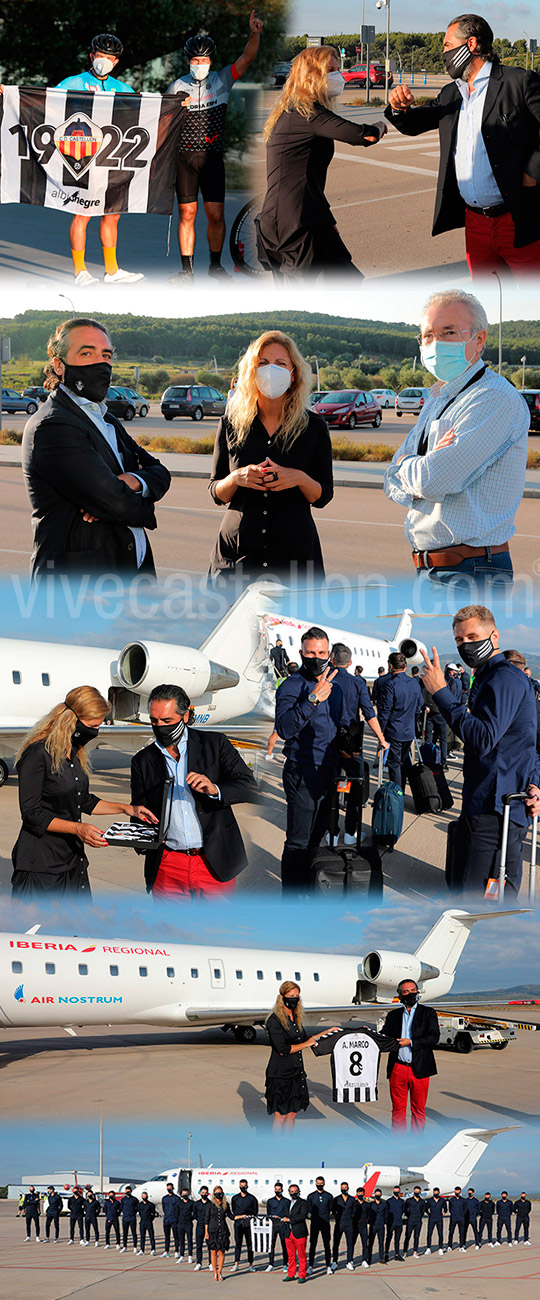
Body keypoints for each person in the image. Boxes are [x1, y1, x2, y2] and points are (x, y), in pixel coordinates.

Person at [384, 290, 529, 585]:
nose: (435, 343)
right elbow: (390, 481)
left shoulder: (492, 398)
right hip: (434, 570)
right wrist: (418, 466)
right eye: (427, 335)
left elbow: (434, 479)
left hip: (471, 570)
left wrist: (410, 466)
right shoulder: (439, 397)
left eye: (449, 332)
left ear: (479, 340)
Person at [385, 14, 540, 277]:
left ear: (470, 43)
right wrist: (399, 109)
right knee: (488, 303)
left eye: (446, 45)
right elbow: (414, 124)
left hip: (519, 218)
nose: (442, 52)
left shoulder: (519, 82)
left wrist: (533, 173)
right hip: (475, 224)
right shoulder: (451, 93)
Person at [22, 318, 171, 578]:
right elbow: (118, 504)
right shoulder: (53, 425)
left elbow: (160, 471)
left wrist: (133, 481)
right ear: (59, 365)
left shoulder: (106, 419)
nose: (100, 363)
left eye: (106, 355)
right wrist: (142, 504)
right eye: (86, 353)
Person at [421, 604, 540, 894]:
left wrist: (441, 693)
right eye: (459, 640)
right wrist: (535, 780)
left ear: (494, 636)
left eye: (472, 636)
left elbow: (484, 738)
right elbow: (525, 739)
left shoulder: (503, 679)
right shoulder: (489, 676)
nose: (466, 645)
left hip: (494, 809)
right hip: (494, 799)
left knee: (478, 896)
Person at [208, 330, 333, 583]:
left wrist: (297, 478)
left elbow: (323, 496)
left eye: (280, 363)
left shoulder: (314, 427)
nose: (270, 370)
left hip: (294, 560)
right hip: (236, 558)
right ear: (251, 373)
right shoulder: (230, 424)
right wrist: (235, 479)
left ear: (293, 373)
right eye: (262, 363)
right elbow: (215, 491)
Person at [11, 685, 157, 900]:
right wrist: (78, 828)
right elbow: (31, 813)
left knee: (78, 928)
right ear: (72, 720)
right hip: (41, 864)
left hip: (72, 858)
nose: (95, 732)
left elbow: (84, 801)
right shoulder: (38, 753)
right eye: (92, 726)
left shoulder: (74, 752)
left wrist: (127, 809)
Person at [257, 44, 386, 278]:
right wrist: (380, 126)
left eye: (338, 69)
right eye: (331, 70)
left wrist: (327, 220)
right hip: (294, 223)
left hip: (307, 217)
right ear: (312, 76)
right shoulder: (307, 114)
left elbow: (306, 177)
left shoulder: (296, 110)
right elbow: (363, 135)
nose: (338, 76)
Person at [131, 683, 257, 898]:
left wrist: (215, 789)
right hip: (167, 864)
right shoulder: (142, 761)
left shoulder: (215, 744)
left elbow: (248, 786)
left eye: (167, 721)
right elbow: (139, 811)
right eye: (154, 721)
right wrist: (140, 841)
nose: (160, 726)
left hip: (213, 861)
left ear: (186, 716)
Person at [166, 13, 263, 282]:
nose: (200, 64)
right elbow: (162, 121)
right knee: (187, 213)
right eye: (196, 61)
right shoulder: (177, 86)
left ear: (211, 61)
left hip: (212, 158)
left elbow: (247, 59)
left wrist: (254, 35)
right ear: (188, 62)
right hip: (184, 158)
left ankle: (215, 265)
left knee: (215, 214)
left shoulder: (221, 80)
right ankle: (187, 271)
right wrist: (175, 110)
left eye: (205, 60)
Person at [56, 34, 144, 285]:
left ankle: (112, 270)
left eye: (109, 58)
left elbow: (147, 109)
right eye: (99, 56)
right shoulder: (72, 82)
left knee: (112, 214)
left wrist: (178, 104)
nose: (103, 61)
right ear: (91, 56)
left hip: (111, 159)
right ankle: (80, 272)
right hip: (81, 156)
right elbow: (43, 101)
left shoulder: (122, 87)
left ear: (115, 62)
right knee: (82, 212)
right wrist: (9, 92)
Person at [275, 627, 344, 890]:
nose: (317, 657)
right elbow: (284, 728)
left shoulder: (337, 684)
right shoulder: (292, 685)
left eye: (322, 653)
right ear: (302, 654)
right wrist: (312, 699)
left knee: (318, 837)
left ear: (330, 653)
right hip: (302, 770)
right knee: (298, 840)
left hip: (329, 771)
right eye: (311, 653)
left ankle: (309, 887)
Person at [330, 642, 388, 843]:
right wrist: (381, 739)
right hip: (351, 740)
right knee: (355, 786)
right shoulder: (358, 683)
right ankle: (350, 833)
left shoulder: (324, 680)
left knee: (330, 785)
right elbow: (369, 714)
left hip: (328, 739)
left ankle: (331, 833)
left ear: (332, 659)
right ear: (350, 662)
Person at [265, 981, 337, 1129]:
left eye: (297, 996)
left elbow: (304, 1039)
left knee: (292, 1113)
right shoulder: (274, 1020)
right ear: (282, 997)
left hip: (296, 1072)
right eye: (291, 996)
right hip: (280, 1074)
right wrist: (308, 1043)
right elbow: (283, 1049)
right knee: (281, 1114)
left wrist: (327, 1032)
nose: (294, 999)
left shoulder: (295, 1017)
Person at [381, 979, 440, 1130]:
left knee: (418, 1110)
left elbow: (434, 1037)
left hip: (419, 1068)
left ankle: (417, 1142)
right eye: (405, 991)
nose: (410, 993)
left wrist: (411, 1042)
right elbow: (384, 1037)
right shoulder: (393, 1015)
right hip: (398, 1068)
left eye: (412, 990)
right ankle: (399, 1142)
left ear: (417, 991)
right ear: (400, 995)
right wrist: (367, 1033)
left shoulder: (428, 1013)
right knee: (398, 1110)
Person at [376, 653, 423, 791]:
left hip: (394, 730)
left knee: (394, 765)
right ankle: (404, 789)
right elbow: (419, 705)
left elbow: (385, 711)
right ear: (405, 666)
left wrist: (381, 732)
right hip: (408, 730)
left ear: (390, 666)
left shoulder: (391, 685)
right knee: (405, 762)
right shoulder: (414, 683)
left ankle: (397, 793)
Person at [204, 1186, 233, 1282]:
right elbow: (206, 1220)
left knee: (221, 1252)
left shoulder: (226, 1205)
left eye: (220, 1192)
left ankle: (220, 1272)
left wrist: (240, 1216)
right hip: (212, 1230)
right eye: (216, 1192)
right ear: (213, 1194)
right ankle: (215, 1272)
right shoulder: (210, 1205)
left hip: (223, 1230)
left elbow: (231, 1216)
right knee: (213, 1251)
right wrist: (206, 1232)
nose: (218, 1194)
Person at [307, 1177, 333, 1275]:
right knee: (313, 1245)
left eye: (321, 1183)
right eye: (318, 1183)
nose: (320, 1185)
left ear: (324, 1184)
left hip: (325, 1223)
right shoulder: (311, 1196)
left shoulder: (329, 1196)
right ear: (315, 1183)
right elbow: (309, 1209)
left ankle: (328, 1266)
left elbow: (330, 1208)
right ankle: (311, 1266)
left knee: (327, 1245)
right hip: (314, 1223)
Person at [230, 1180, 258, 1272]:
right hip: (238, 1224)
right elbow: (234, 1210)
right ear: (239, 1186)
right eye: (241, 1186)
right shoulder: (235, 1198)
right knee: (238, 1244)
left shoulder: (252, 1198)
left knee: (250, 1244)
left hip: (249, 1224)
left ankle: (251, 1264)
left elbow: (255, 1211)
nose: (243, 1187)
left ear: (247, 1186)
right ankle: (236, 1264)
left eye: (245, 1186)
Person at [285, 1185, 310, 1283]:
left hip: (299, 1232)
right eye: (291, 1191)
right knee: (290, 1256)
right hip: (289, 1232)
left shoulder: (303, 1203)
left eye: (295, 1191)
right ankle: (291, 1274)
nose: (293, 1193)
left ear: (299, 1191)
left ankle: (302, 1275)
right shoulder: (287, 1203)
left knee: (301, 1255)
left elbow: (302, 1215)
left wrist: (290, 1220)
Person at [331, 1182, 356, 1271]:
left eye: (345, 1188)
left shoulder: (352, 1200)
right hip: (339, 1224)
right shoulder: (336, 1199)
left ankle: (349, 1261)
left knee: (350, 1243)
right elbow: (333, 1212)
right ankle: (335, 1261)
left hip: (349, 1224)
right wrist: (338, 1218)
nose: (344, 1190)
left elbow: (354, 1212)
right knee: (336, 1244)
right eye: (343, 1188)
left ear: (348, 1188)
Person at [266, 1182, 290, 1273]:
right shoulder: (270, 1201)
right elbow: (268, 1214)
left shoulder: (287, 1201)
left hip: (283, 1226)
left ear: (282, 1190)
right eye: (276, 1189)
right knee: (271, 1245)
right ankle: (271, 1264)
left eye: (279, 1189)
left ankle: (285, 1264)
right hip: (273, 1226)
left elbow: (288, 1213)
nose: (277, 1191)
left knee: (284, 1246)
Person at [367, 1189, 388, 1266]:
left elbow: (386, 1215)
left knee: (381, 1243)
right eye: (376, 1194)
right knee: (370, 1243)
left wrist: (384, 1221)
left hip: (381, 1226)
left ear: (381, 1195)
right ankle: (368, 1259)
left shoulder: (384, 1204)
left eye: (379, 1194)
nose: (377, 1196)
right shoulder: (371, 1204)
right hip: (373, 1226)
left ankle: (381, 1258)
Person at [193, 1187, 212, 1271]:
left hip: (209, 1226)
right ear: (200, 1193)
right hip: (200, 1226)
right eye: (202, 1192)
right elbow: (195, 1215)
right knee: (199, 1246)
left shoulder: (211, 1204)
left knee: (210, 1246)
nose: (204, 1194)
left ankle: (211, 1263)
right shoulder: (196, 1204)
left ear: (208, 1193)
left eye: (205, 1193)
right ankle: (199, 1263)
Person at [385, 1187, 405, 1262]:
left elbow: (403, 1210)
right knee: (388, 1238)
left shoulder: (402, 1201)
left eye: (398, 1191)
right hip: (391, 1223)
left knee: (397, 1239)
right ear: (393, 1191)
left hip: (399, 1222)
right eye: (395, 1191)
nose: (396, 1192)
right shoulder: (389, 1201)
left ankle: (397, 1254)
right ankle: (386, 1254)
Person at [403, 1187, 425, 1257]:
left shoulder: (422, 1202)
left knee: (416, 1236)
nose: (417, 1193)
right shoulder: (409, 1200)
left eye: (418, 1192)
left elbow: (423, 1211)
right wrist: (408, 1215)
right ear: (413, 1192)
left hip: (418, 1221)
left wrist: (419, 1216)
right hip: (410, 1220)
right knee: (407, 1236)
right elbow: (405, 1209)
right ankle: (405, 1252)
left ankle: (415, 1252)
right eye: (416, 1191)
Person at [161, 1182, 181, 1257]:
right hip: (166, 1219)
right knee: (167, 1236)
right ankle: (166, 1251)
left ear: (173, 1188)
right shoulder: (164, 1198)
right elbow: (164, 1208)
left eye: (170, 1188)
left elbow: (178, 1209)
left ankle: (176, 1251)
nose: (169, 1189)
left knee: (176, 1236)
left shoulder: (176, 1198)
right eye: (168, 1188)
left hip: (174, 1219)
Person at [424, 1188, 447, 1255]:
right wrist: (429, 1214)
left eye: (437, 1192)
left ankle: (440, 1248)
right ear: (433, 1192)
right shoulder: (429, 1200)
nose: (436, 1193)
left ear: (439, 1192)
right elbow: (426, 1209)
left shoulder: (442, 1200)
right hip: (431, 1219)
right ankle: (428, 1248)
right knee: (429, 1234)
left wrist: (441, 1215)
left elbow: (445, 1210)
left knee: (440, 1234)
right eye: (435, 1192)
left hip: (439, 1219)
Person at [177, 1188, 195, 1263]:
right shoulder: (178, 1203)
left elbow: (194, 1213)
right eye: (184, 1194)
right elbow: (176, 1212)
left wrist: (190, 1219)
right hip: (181, 1224)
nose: (185, 1195)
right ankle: (182, 1256)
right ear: (181, 1194)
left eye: (186, 1194)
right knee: (181, 1241)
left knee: (189, 1240)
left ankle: (190, 1256)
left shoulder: (192, 1203)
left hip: (188, 1224)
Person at [446, 1187, 467, 1251]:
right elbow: (450, 1208)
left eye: (458, 1191)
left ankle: (461, 1246)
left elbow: (465, 1209)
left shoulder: (463, 1200)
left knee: (461, 1232)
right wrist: (453, 1214)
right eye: (456, 1191)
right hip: (453, 1218)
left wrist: (462, 1214)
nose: (457, 1192)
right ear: (454, 1191)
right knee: (451, 1232)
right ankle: (449, 1246)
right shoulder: (451, 1200)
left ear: (460, 1192)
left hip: (461, 1218)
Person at [353, 1189, 370, 1268]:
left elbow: (368, 1216)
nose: (360, 1194)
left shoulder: (367, 1205)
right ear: (357, 1193)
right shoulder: (354, 1204)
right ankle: (350, 1260)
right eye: (359, 1193)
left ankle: (364, 1260)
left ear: (364, 1194)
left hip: (363, 1226)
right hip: (354, 1226)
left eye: (362, 1193)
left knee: (365, 1244)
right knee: (352, 1244)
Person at [137, 1192, 157, 1256]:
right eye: (143, 1196)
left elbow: (153, 1214)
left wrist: (150, 1220)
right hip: (142, 1222)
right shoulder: (139, 1205)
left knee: (151, 1236)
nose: (144, 1197)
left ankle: (153, 1249)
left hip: (149, 1222)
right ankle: (142, 1250)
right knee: (142, 1237)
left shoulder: (151, 1205)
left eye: (145, 1196)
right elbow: (139, 1212)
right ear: (141, 1197)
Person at [120, 1187, 139, 1253]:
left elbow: (137, 1208)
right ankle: (125, 1246)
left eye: (129, 1191)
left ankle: (135, 1247)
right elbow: (121, 1207)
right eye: (127, 1191)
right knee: (125, 1233)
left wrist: (133, 1212)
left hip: (132, 1218)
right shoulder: (123, 1199)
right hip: (125, 1218)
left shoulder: (134, 1199)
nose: (128, 1192)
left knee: (134, 1233)